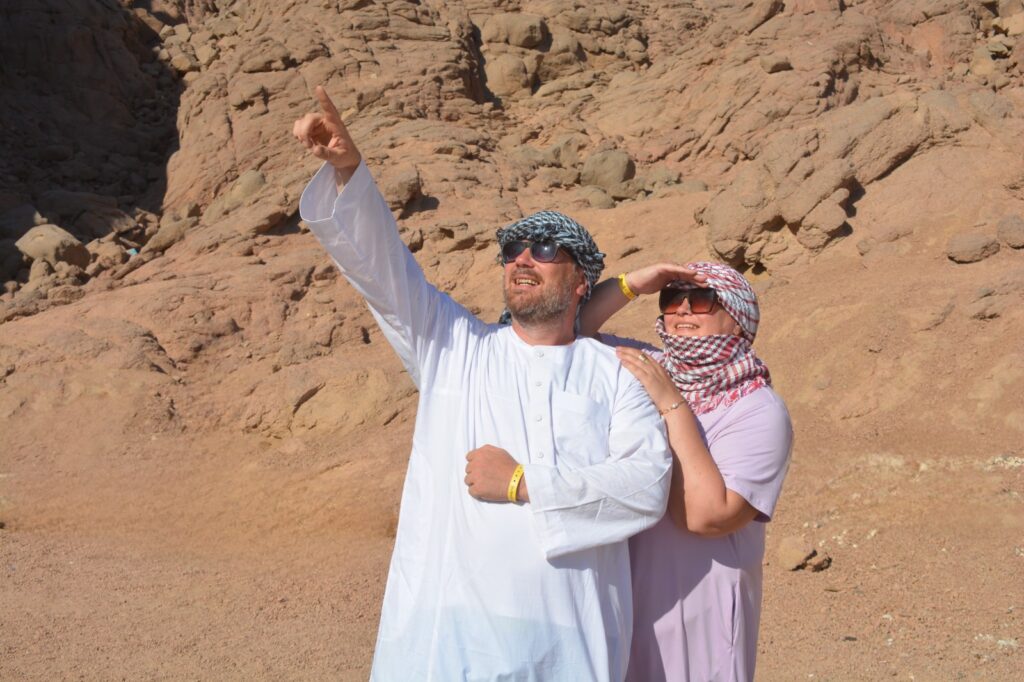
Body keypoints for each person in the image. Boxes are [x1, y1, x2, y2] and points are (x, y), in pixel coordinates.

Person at [292, 86, 679, 681]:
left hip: (571, 643)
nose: (522, 258)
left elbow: (646, 485)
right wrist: (349, 172)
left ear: (581, 281)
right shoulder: (455, 346)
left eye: (544, 249)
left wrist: (523, 483)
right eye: (512, 249)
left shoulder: (617, 373)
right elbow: (383, 272)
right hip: (450, 643)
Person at [581, 262, 793, 682]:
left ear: (737, 319)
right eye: (671, 299)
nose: (681, 310)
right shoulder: (653, 367)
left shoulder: (758, 410)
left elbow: (707, 516)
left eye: (701, 300)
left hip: (702, 606)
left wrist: (671, 405)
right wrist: (632, 284)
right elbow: (572, 331)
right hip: (631, 592)